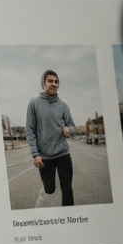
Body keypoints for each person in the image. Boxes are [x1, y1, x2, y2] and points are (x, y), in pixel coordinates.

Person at [25, 69, 76, 206]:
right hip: (45, 156)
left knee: (67, 189)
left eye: (56, 81)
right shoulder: (34, 103)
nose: (53, 84)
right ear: (43, 83)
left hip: (63, 153)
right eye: (50, 81)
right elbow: (30, 129)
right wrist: (35, 154)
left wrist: (69, 130)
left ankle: (70, 218)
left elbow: (72, 126)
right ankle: (47, 189)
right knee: (49, 189)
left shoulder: (63, 105)